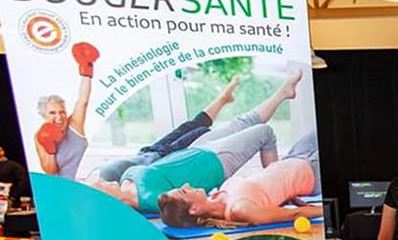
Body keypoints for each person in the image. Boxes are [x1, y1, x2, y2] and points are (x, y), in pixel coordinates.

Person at [89, 70, 302, 213]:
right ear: (108, 202)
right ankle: (280, 189)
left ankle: (283, 93)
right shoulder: (152, 200)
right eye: (100, 187)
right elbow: (191, 209)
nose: (102, 181)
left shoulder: (125, 180)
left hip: (196, 150)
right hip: (214, 164)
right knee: (264, 133)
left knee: (243, 122)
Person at [156, 131, 323, 227]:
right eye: (183, 191)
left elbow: (265, 190)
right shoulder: (240, 210)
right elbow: (293, 214)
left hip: (294, 157)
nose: (186, 185)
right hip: (313, 172)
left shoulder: (217, 193)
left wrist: (291, 198)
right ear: (194, 209)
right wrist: (326, 211)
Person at [96, 77, 240, 182]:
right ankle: (243, 128)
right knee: (201, 132)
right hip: (160, 160)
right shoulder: (106, 190)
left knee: (190, 126)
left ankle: (223, 99)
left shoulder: (96, 178)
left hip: (147, 153)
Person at [35, 42, 97, 179]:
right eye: (52, 113)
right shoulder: (40, 135)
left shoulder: (74, 125)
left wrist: (86, 71)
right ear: (44, 115)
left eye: (62, 112)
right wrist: (50, 147)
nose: (59, 116)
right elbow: (50, 171)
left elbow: (83, 101)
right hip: (64, 187)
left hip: (88, 183)